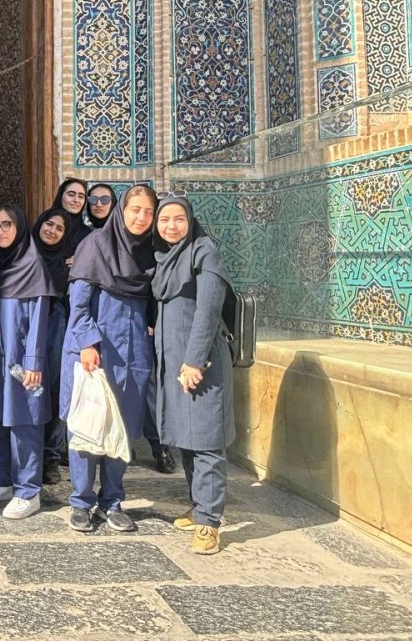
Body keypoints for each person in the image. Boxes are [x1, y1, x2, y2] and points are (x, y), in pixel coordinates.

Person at [61, 185, 158, 533]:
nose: (141, 217)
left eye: (148, 212)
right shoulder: (96, 245)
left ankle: (112, 500)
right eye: (135, 209)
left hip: (133, 353)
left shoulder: (150, 253)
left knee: (123, 427)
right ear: (122, 210)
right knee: (88, 425)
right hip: (95, 349)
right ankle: (81, 501)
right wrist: (88, 343)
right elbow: (79, 304)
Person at [152, 196, 235, 555]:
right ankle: (199, 505)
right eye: (164, 220)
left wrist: (194, 361)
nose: (171, 226)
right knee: (187, 438)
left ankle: (209, 523)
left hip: (201, 365)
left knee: (206, 441)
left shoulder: (204, 253)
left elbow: (208, 310)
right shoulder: (167, 257)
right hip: (175, 363)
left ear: (190, 221)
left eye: (179, 219)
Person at [0, 207, 53, 519]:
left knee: (24, 421)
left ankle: (28, 491)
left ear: (20, 227)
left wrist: (34, 361)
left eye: (6, 225)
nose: (0, 231)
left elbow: (39, 318)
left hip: (23, 359)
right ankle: (2, 481)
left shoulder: (33, 265)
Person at [31, 208, 70, 484]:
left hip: (56, 327)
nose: (52, 231)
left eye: (59, 228)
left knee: (54, 390)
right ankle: (28, 455)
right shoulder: (24, 257)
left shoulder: (70, 265)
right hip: (26, 326)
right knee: (28, 388)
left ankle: (50, 457)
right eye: (49, 224)